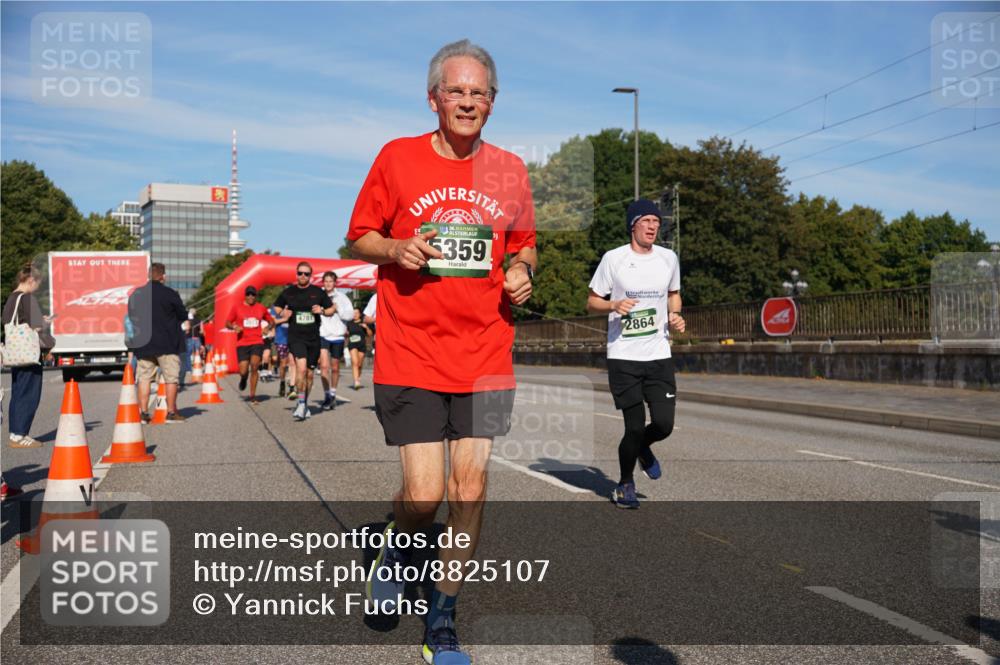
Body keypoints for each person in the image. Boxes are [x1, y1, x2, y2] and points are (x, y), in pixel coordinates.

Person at [348, 39, 535, 665]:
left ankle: (443, 616)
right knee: (424, 497)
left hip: (485, 351)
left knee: (471, 487)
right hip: (413, 351)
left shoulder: (508, 169)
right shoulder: (397, 158)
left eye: (479, 92)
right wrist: (395, 249)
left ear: (493, 102)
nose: (467, 101)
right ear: (433, 98)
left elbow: (525, 243)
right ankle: (397, 550)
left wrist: (521, 269)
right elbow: (356, 241)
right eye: (456, 90)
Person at [587, 199, 686, 509]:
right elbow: (592, 301)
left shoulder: (668, 258)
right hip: (623, 355)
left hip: (658, 354)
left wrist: (676, 314)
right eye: (646, 221)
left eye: (656, 222)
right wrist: (613, 305)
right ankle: (625, 482)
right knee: (632, 426)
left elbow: (674, 295)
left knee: (663, 425)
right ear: (633, 225)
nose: (653, 227)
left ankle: (644, 448)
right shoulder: (613, 259)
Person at [272, 262, 334, 421]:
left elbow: (331, 309)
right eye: (300, 273)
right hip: (296, 337)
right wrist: (283, 312)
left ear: (310, 275)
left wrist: (321, 311)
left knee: (310, 374)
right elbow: (277, 307)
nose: (303, 276)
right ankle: (300, 404)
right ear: (296, 274)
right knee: (301, 369)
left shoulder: (317, 292)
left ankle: (304, 403)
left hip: (313, 338)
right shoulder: (289, 292)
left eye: (306, 274)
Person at [127, 262, 188, 423]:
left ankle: (144, 413)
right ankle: (170, 413)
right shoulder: (170, 294)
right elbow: (183, 315)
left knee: (144, 378)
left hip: (144, 344)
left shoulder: (136, 294)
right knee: (171, 379)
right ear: (163, 276)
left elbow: (132, 317)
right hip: (167, 344)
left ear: (148, 275)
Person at [3, 263, 55, 448]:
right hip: (29, 354)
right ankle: (20, 434)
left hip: (16, 353)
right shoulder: (26, 298)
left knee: (18, 392)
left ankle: (15, 432)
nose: (36, 288)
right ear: (31, 280)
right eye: (37, 284)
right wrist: (45, 322)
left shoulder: (11, 299)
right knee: (29, 393)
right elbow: (37, 327)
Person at [225, 285, 274, 405]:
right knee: (243, 370)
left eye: (253, 294)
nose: (251, 297)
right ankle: (243, 378)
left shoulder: (261, 308)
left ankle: (253, 395)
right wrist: (234, 326)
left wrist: (268, 327)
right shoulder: (237, 308)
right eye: (248, 294)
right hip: (242, 343)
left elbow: (271, 320)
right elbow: (227, 322)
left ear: (256, 296)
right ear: (245, 296)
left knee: (255, 366)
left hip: (257, 341)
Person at [317, 271, 354, 410]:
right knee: (324, 367)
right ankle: (327, 395)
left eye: (330, 281)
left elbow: (350, 315)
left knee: (335, 367)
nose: (328, 284)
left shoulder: (342, 297)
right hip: (323, 334)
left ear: (335, 283)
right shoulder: (318, 296)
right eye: (325, 281)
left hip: (338, 336)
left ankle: (333, 393)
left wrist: (337, 309)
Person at [270, 302, 293, 397]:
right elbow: (272, 321)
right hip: (281, 339)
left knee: (293, 363)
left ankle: (292, 387)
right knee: (283, 364)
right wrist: (285, 319)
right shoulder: (276, 306)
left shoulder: (295, 304)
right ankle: (282, 382)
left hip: (294, 338)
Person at [346, 307, 371, 389]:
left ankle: (358, 377)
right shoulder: (349, 323)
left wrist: (366, 327)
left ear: (360, 314)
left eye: (356, 313)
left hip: (361, 345)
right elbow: (346, 333)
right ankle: (356, 381)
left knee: (359, 364)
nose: (355, 314)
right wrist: (345, 333)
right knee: (355, 362)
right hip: (352, 345)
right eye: (353, 313)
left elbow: (370, 334)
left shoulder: (363, 323)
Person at [180, 307, 202, 388]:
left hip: (188, 338)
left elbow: (187, 329)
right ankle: (197, 366)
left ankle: (189, 369)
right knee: (197, 354)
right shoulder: (199, 320)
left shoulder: (185, 319)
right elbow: (201, 331)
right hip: (197, 338)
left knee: (187, 355)